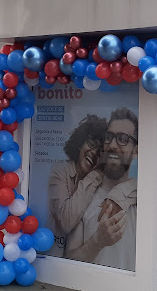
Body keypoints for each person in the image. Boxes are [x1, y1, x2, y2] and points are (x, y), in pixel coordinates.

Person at [66, 107, 138, 270]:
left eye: (123, 139)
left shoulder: (142, 194)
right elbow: (69, 259)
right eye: (109, 137)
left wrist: (122, 192)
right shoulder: (85, 195)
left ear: (136, 150)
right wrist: (97, 241)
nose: (113, 145)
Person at [46, 115, 106, 258]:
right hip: (53, 258)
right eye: (92, 143)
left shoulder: (100, 182)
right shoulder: (60, 171)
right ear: (80, 143)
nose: (94, 152)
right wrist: (93, 177)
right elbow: (66, 221)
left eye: (100, 151)